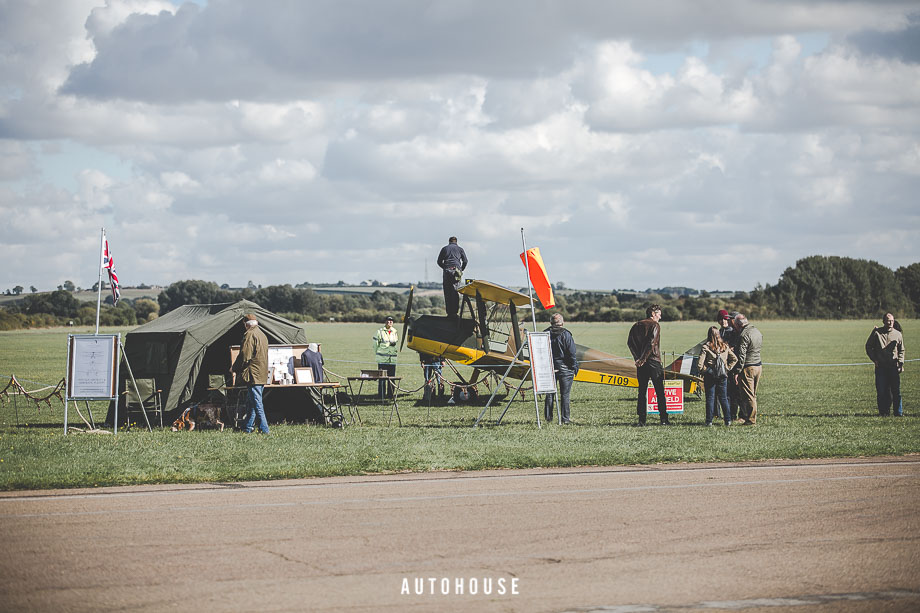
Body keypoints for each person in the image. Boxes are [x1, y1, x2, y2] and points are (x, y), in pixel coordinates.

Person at [627, 304, 670, 426]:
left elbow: (630, 343)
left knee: (642, 391)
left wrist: (638, 359)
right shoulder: (655, 325)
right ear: (653, 314)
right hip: (653, 361)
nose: (660, 318)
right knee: (659, 391)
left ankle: (641, 420)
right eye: (659, 315)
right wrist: (643, 359)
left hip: (641, 362)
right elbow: (652, 343)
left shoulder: (636, 325)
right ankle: (663, 419)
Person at [697, 325, 738, 426]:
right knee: (723, 398)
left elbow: (699, 365)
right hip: (723, 375)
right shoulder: (725, 346)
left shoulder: (706, 347)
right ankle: (728, 420)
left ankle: (709, 421)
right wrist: (727, 368)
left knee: (710, 398)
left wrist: (705, 371)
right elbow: (735, 359)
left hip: (710, 375)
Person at [865, 313, 905, 416]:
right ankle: (883, 412)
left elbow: (901, 350)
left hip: (893, 367)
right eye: (888, 320)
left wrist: (900, 363)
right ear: (883, 321)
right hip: (881, 368)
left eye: (892, 320)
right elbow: (868, 346)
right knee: (882, 391)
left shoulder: (898, 334)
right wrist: (874, 359)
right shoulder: (877, 333)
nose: (890, 322)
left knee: (896, 392)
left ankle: (898, 413)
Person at [544, 313, 579, 424]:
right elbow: (572, 352)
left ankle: (548, 418)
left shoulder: (544, 334)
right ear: (562, 323)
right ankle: (565, 419)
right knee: (565, 395)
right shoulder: (566, 335)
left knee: (549, 394)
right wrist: (574, 367)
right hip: (565, 368)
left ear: (551, 323)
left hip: (549, 367)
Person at [238, 313, 269, 434]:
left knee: (257, 403)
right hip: (262, 373)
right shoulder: (262, 334)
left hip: (253, 374)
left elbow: (245, 356)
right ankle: (247, 427)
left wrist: (235, 368)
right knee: (251, 402)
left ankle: (264, 428)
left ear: (246, 324)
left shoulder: (249, 335)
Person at [731, 313, 763, 425]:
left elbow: (741, 356)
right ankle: (750, 417)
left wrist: (737, 371)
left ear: (739, 325)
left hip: (748, 367)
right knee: (753, 394)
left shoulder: (743, 335)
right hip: (758, 366)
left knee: (748, 396)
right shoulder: (757, 331)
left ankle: (750, 420)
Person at [437, 236, 468, 318]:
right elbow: (465, 261)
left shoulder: (444, 249)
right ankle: (454, 313)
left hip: (447, 271)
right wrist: (461, 269)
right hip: (456, 271)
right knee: (455, 292)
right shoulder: (460, 249)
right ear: (456, 242)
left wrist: (445, 267)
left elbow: (439, 261)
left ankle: (449, 313)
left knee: (447, 292)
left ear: (449, 242)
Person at [373, 315, 399, 399]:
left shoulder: (395, 331)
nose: (389, 322)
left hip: (392, 360)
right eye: (388, 320)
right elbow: (375, 345)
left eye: (391, 321)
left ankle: (390, 396)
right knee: (382, 379)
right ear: (385, 322)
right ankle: (381, 396)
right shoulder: (379, 331)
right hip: (382, 359)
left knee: (392, 378)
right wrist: (378, 353)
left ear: (393, 322)